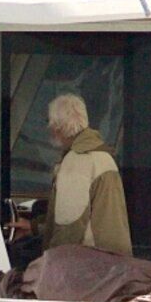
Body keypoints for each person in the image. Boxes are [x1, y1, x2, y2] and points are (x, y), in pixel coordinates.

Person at [44, 91, 133, 255]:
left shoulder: (78, 160)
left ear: (58, 127)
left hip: (92, 261)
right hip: (114, 260)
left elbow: (70, 225)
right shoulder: (103, 156)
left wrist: (49, 261)